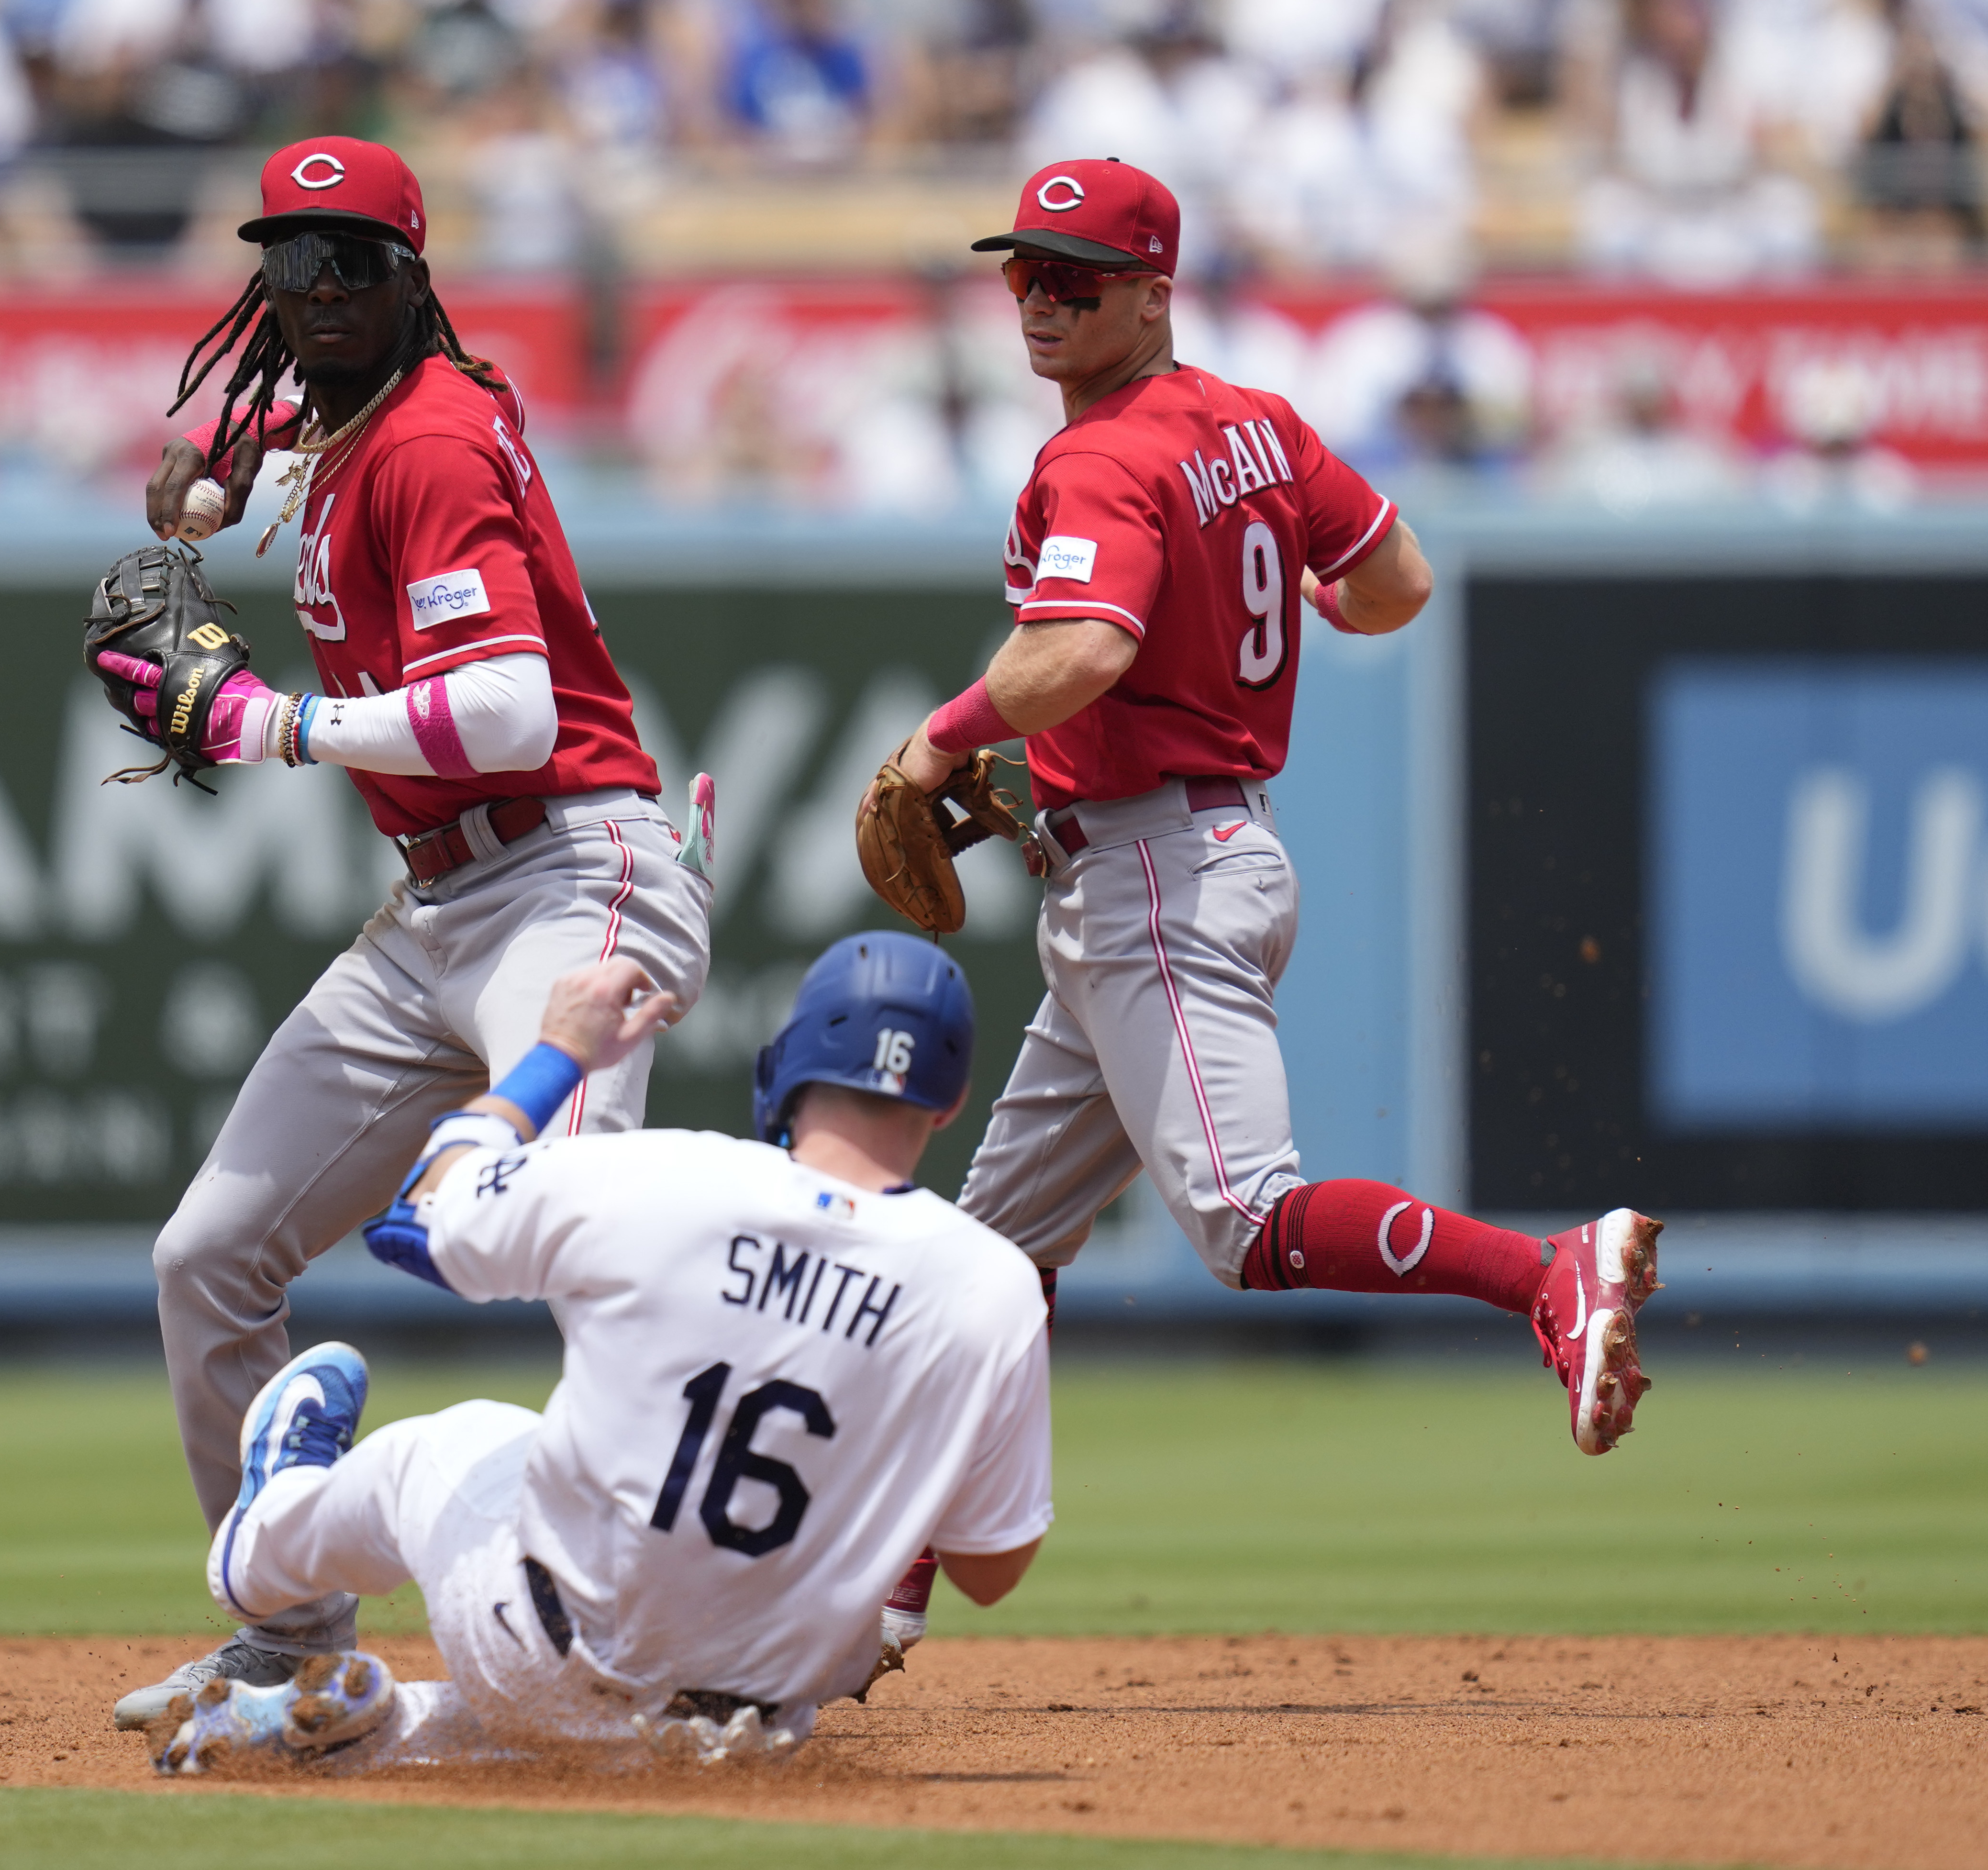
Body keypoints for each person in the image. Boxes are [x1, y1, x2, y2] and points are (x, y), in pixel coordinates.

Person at [855, 160, 1660, 1656]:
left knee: (1244, 1223)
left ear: (1152, 292)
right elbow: (1396, 581)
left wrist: (941, 736)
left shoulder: (1099, 455)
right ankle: (881, 1593)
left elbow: (1081, 647)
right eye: (1023, 273)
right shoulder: (1257, 423)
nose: (1038, 300)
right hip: (1174, 852)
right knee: (983, 1260)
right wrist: (1243, 642)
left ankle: (1544, 1272)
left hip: (1156, 873)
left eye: (1074, 279)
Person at [108, 136, 712, 1730]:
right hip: (436, 903)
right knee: (207, 1254)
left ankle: (700, 1621)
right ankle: (298, 1634)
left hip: (569, 873)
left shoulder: (432, 435)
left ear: (404, 276)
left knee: (576, 1234)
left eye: (345, 262)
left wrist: (273, 723)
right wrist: (221, 489)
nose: (311, 292)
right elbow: (305, 460)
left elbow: (511, 710)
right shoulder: (363, 425)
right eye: (286, 264)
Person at [141, 944, 1051, 1774]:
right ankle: (377, 1732)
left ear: (788, 1062)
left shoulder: (669, 1176)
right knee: (659, 1691)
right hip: (756, 1729)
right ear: (950, 1101)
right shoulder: (991, 1283)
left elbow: (414, 1222)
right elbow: (989, 1568)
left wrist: (558, 1056)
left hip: (530, 1648)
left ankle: (257, 1554)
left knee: (455, 1443)